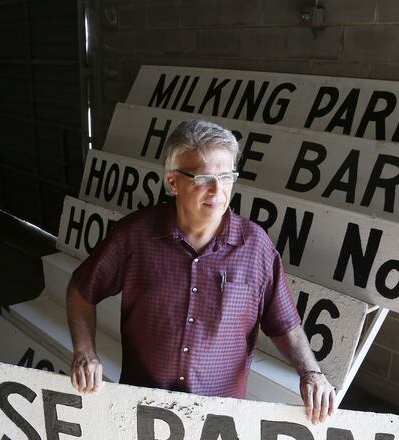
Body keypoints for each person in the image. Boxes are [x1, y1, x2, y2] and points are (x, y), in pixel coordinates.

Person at [66, 119, 335, 424]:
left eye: (226, 176)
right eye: (204, 177)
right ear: (173, 182)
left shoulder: (255, 247)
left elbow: (284, 323)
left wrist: (311, 373)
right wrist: (85, 351)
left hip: (219, 419)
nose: (217, 190)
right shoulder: (135, 236)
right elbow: (81, 290)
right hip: (144, 410)